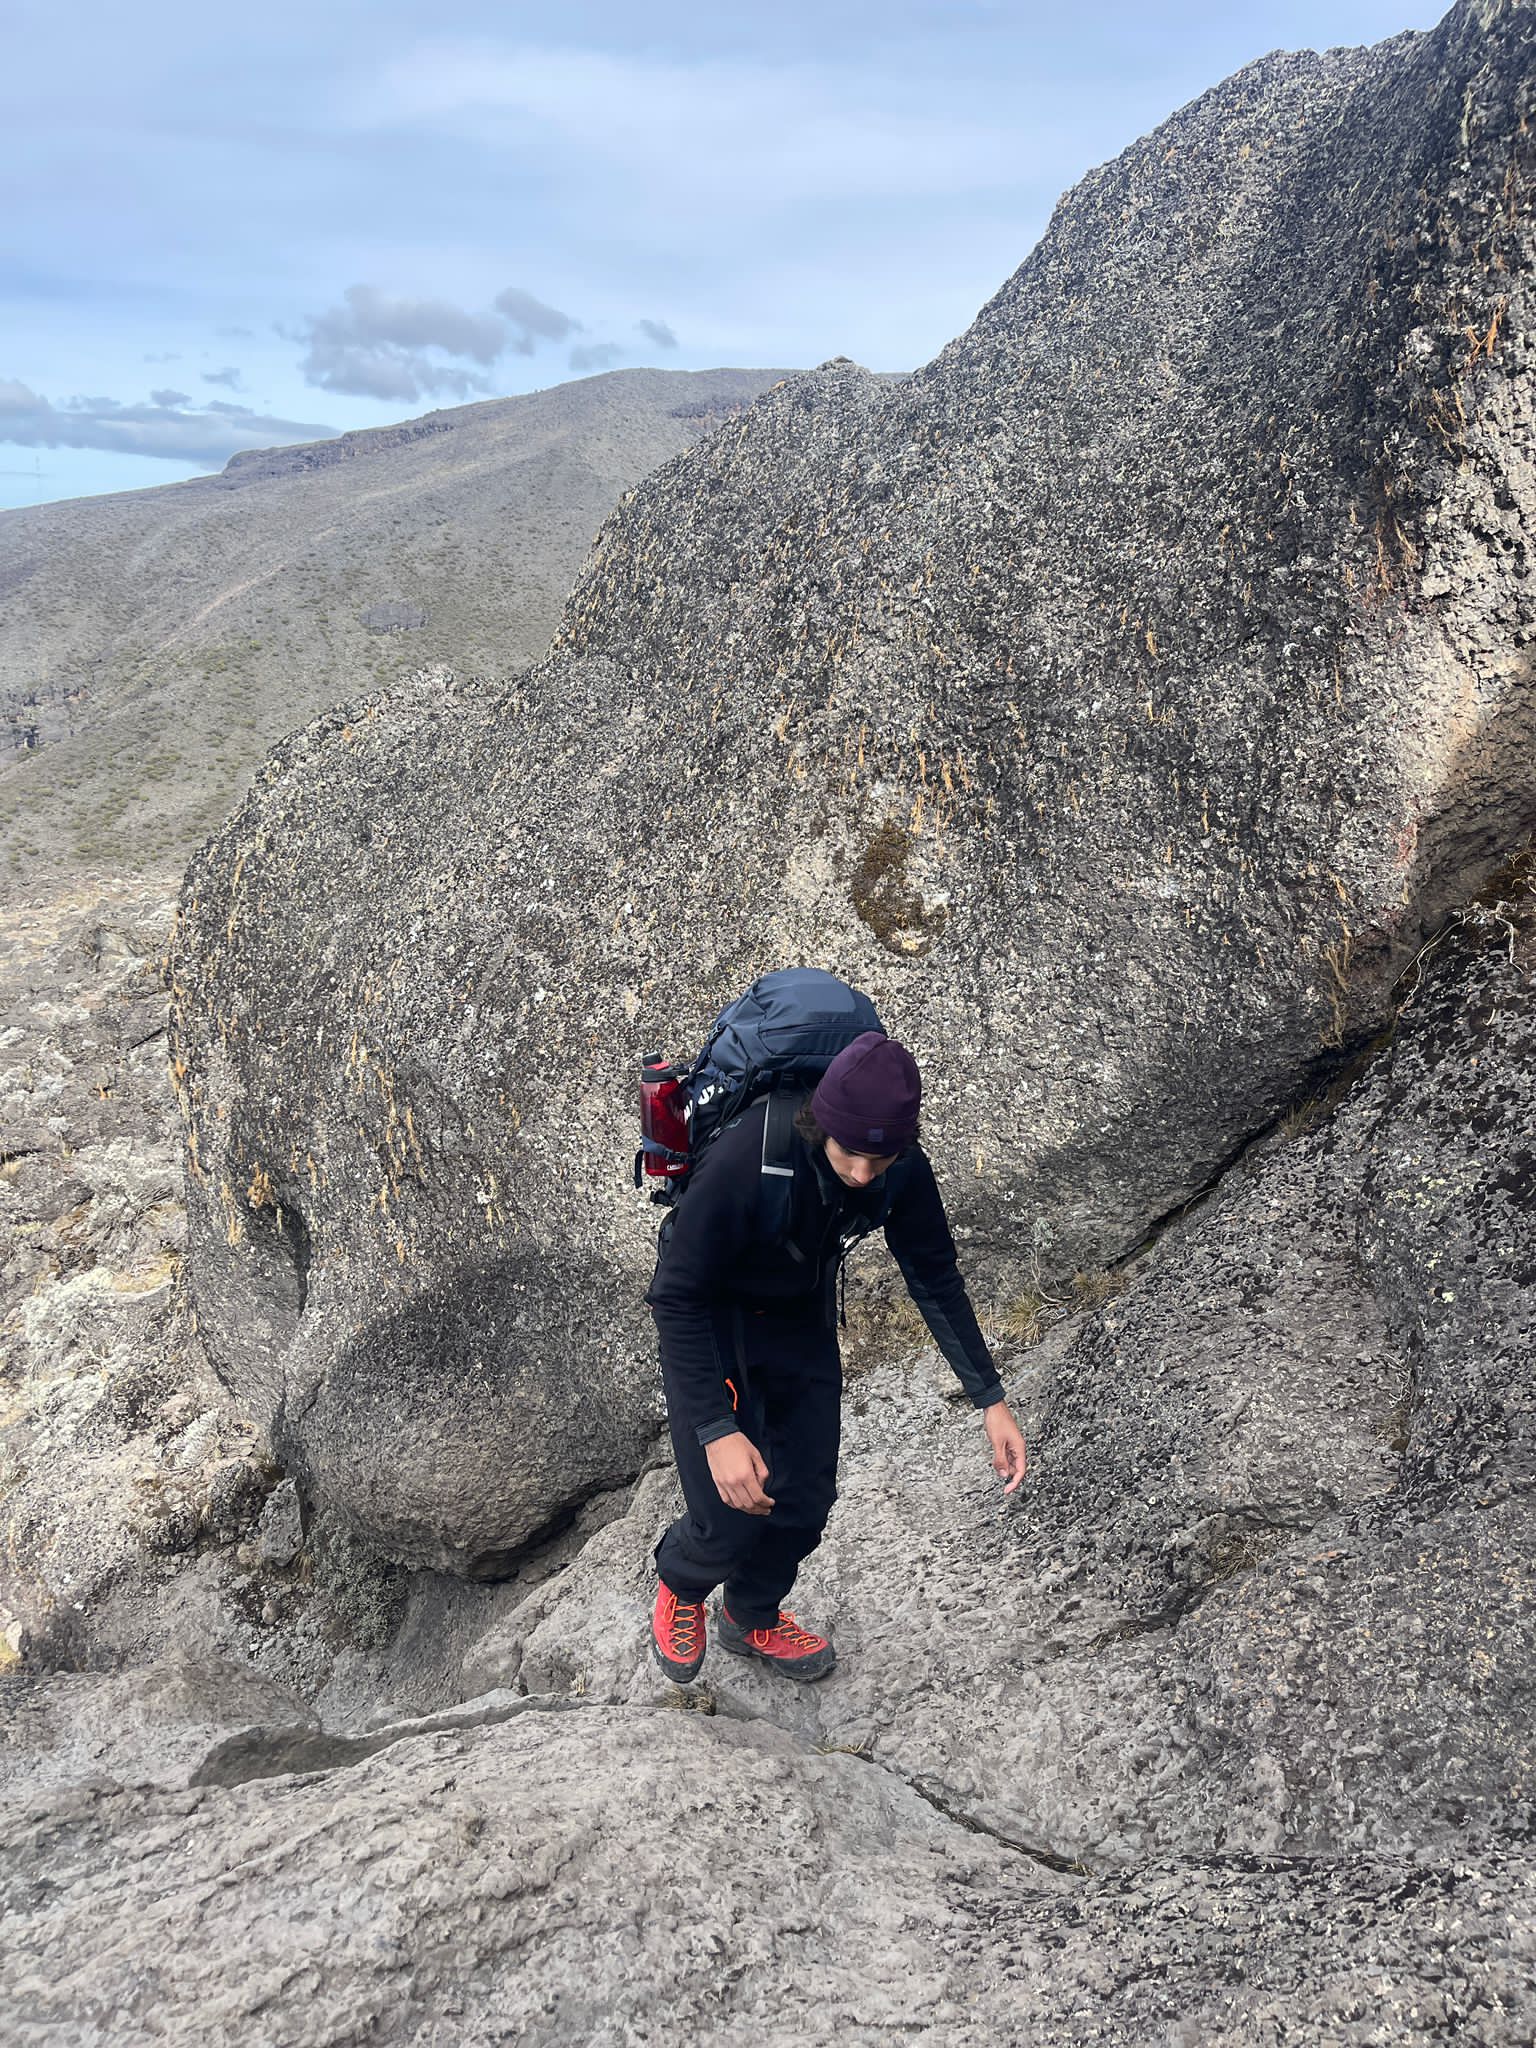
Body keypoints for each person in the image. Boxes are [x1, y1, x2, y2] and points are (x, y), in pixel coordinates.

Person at [647, 1030, 1028, 1683]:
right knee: (732, 1503)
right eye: (850, 1153)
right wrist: (716, 1429)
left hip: (798, 1316)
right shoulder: (749, 1157)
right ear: (821, 1121)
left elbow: (934, 1277)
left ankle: (750, 1614)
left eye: (877, 1161)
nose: (860, 1174)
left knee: (806, 1496)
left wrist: (990, 1399)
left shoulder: (899, 1169)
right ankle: (681, 1584)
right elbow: (675, 1296)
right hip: (717, 1316)